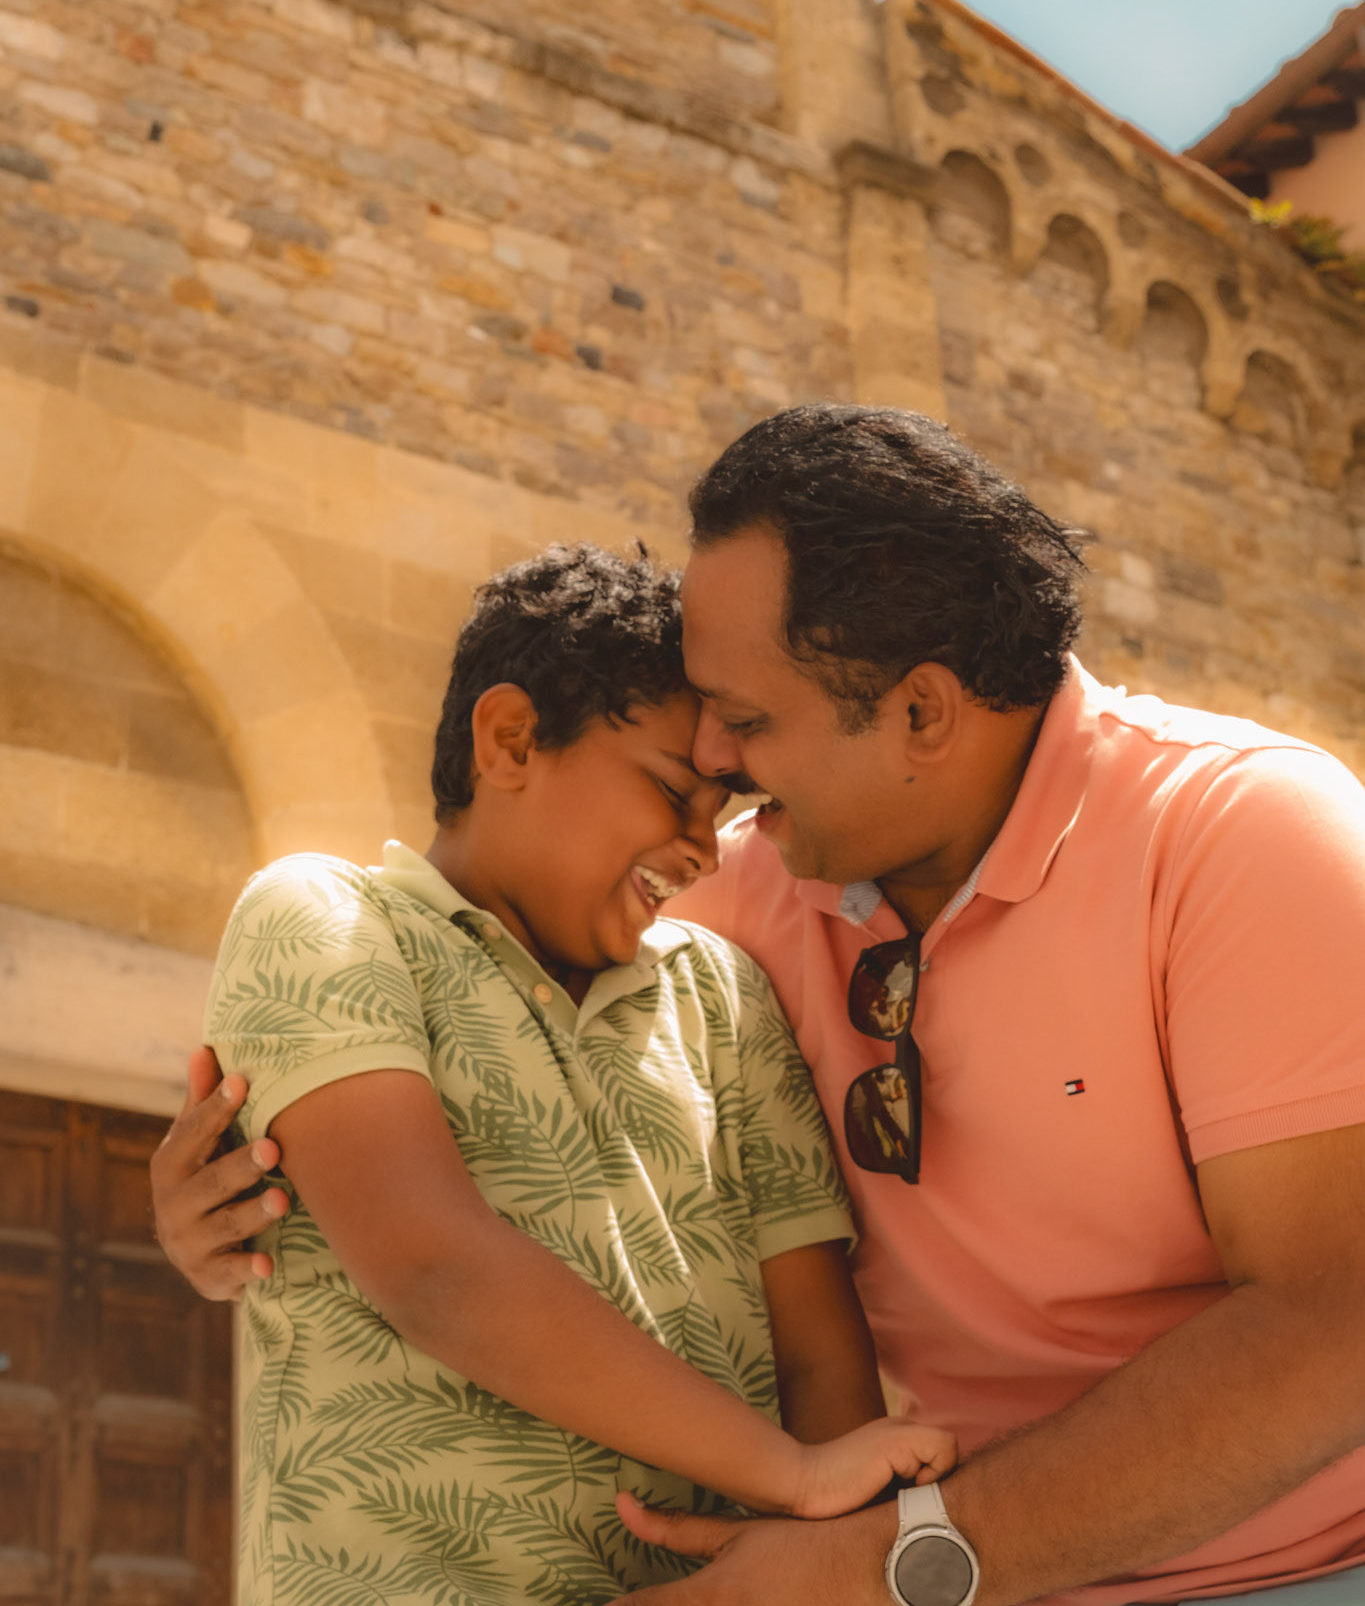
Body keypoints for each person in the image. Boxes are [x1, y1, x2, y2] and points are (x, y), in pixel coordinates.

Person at [155, 406, 1365, 1606]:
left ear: (922, 712)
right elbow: (470, 950)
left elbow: (1337, 1321)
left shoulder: (1245, 836)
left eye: (744, 720)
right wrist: (253, 1187)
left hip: (1280, 1572)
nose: (716, 770)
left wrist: (888, 1557)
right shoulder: (740, 893)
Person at [187, 540, 954, 1606]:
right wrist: (789, 1473)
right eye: (674, 790)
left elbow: (818, 1358)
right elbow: (434, 1269)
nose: (705, 848)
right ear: (510, 739)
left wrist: (833, 1537)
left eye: (721, 810)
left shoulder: (725, 995)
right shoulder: (326, 918)